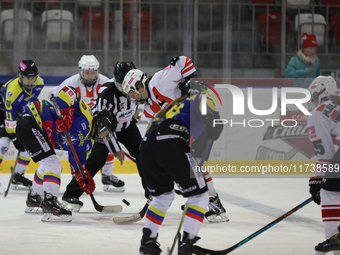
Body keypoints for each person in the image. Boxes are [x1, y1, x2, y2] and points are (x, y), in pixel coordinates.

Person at [122, 56, 228, 223]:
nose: (132, 97)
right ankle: (202, 199)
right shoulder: (149, 109)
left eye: (132, 92)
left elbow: (183, 61)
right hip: (185, 125)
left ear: (139, 86)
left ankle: (213, 203)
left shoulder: (159, 81)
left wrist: (191, 84)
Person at [138, 80, 223, 255]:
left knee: (162, 197)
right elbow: (213, 120)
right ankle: (187, 245)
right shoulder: (200, 96)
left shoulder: (171, 107)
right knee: (199, 196)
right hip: (171, 143)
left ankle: (147, 244)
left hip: (146, 147)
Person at [17, 85, 117, 222]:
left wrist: (83, 178)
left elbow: (78, 164)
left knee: (47, 165)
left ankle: (34, 198)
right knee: (53, 165)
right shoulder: (86, 114)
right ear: (100, 123)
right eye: (105, 131)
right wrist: (66, 113)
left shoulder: (88, 143)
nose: (104, 135)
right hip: (32, 121)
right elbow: (69, 91)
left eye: (108, 134)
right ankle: (50, 205)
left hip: (38, 130)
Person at [61, 60, 146, 212]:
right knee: (95, 161)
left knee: (143, 155)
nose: (124, 88)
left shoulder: (136, 84)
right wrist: (116, 150)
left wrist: (134, 112)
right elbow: (104, 129)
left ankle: (152, 192)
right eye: (121, 83)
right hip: (105, 128)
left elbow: (136, 98)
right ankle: (71, 194)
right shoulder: (106, 94)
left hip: (127, 126)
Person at [50, 55, 123, 193]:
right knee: (78, 151)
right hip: (78, 125)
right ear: (80, 71)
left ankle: (107, 175)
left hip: (97, 124)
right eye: (87, 72)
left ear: (97, 71)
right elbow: (53, 99)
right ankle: (77, 181)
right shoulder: (70, 83)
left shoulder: (106, 82)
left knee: (108, 141)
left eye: (93, 72)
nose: (90, 76)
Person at [307, 75, 340, 254]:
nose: (313, 102)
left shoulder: (319, 111)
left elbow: (325, 156)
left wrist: (318, 179)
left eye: (314, 97)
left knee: (331, 192)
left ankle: (334, 241)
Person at [0, 60, 44, 190]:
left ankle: (17, 176)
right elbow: (9, 117)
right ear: (20, 77)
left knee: (28, 147)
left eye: (33, 78)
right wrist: (14, 137)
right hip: (2, 112)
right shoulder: (12, 92)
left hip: (19, 115)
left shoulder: (40, 83)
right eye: (27, 79)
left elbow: (33, 101)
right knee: (3, 144)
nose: (30, 82)